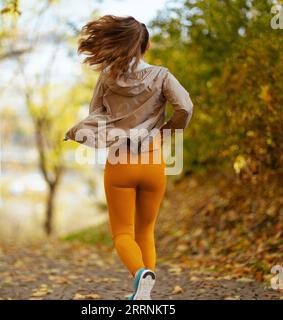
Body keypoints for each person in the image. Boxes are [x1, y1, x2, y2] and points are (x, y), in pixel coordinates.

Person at [64, 15, 193, 300]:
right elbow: (184, 106)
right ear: (145, 47)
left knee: (123, 233)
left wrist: (97, 132)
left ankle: (139, 275)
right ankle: (143, 295)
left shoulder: (108, 76)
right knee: (146, 231)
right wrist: (167, 133)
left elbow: (97, 113)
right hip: (153, 161)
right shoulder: (162, 76)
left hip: (120, 162)